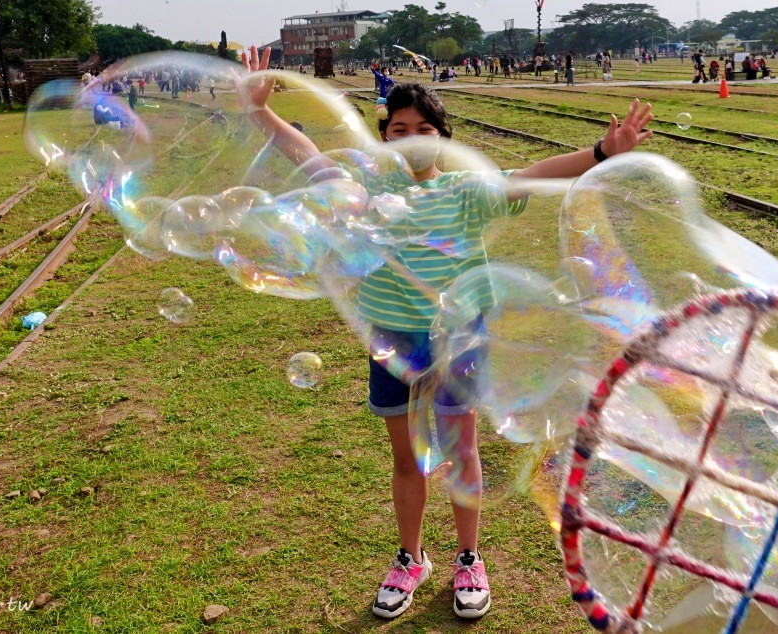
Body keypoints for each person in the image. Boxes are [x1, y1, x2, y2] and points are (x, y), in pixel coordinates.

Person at [239, 47, 653, 621]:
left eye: (424, 129)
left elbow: (532, 174)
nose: (412, 137)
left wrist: (604, 150)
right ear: (384, 138)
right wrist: (262, 113)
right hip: (393, 339)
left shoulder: (464, 193)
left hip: (458, 336)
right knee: (406, 459)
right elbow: (306, 152)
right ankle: (411, 558)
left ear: (443, 138)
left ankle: (468, 558)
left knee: (461, 450)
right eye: (399, 129)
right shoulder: (364, 197)